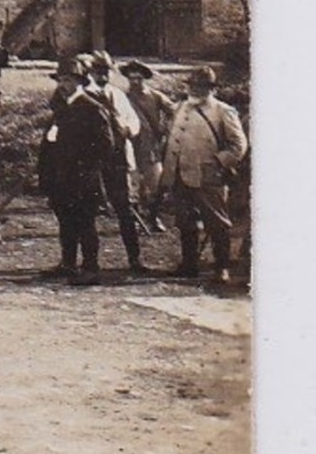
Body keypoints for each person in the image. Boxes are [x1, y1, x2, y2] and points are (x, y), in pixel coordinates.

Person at [160, 66, 248, 283]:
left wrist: (218, 162)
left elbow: (239, 145)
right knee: (185, 221)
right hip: (180, 174)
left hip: (208, 176)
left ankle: (221, 267)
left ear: (211, 89)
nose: (197, 90)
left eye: (202, 86)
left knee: (217, 223)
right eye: (194, 85)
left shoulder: (222, 111)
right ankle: (189, 264)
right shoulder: (181, 107)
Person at [38, 57, 114, 285]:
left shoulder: (93, 108)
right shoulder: (61, 108)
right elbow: (49, 143)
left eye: (68, 80)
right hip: (60, 177)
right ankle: (68, 263)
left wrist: (84, 167)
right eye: (60, 80)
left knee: (85, 223)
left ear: (80, 82)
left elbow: (106, 145)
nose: (63, 85)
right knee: (65, 220)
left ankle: (91, 268)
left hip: (83, 178)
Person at [85, 50, 147, 274]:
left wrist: (127, 128)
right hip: (93, 162)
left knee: (125, 210)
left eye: (105, 71)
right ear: (90, 72)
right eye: (97, 71)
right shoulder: (84, 95)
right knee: (89, 211)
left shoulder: (118, 95)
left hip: (118, 159)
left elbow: (134, 122)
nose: (102, 75)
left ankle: (134, 259)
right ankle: (90, 262)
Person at [121, 60, 175, 233]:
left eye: (138, 78)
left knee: (157, 185)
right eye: (131, 79)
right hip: (130, 147)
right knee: (133, 186)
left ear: (144, 78)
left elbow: (174, 111)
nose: (135, 82)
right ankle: (136, 220)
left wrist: (166, 129)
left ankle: (153, 217)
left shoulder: (155, 96)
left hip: (151, 148)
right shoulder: (123, 98)